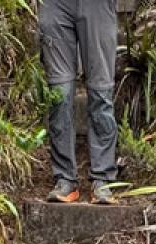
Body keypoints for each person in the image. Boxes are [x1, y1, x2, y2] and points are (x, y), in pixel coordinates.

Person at [37, 0, 118, 204]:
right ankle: (64, 179)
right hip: (56, 6)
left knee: (101, 94)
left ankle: (102, 179)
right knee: (60, 94)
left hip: (98, 7)